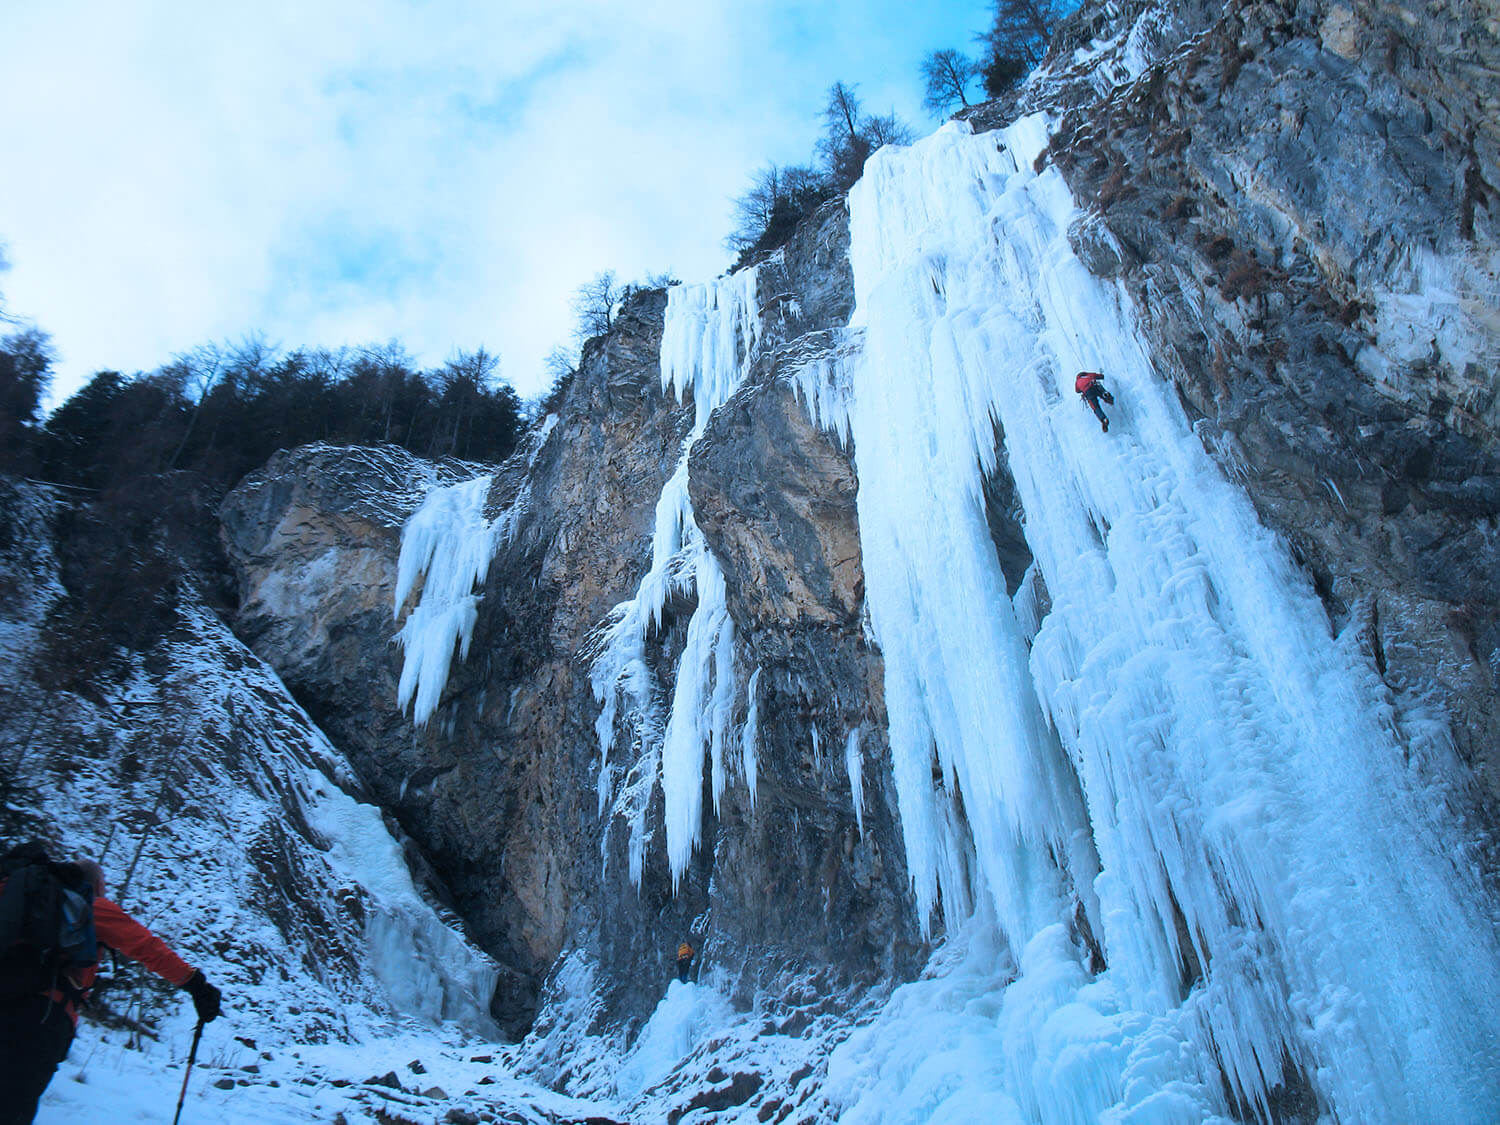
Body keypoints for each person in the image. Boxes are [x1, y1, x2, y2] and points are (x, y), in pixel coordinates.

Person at [0, 845, 223, 1125]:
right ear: (94, 884)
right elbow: (145, 946)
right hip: (40, 1018)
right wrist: (196, 984)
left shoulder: (14, 896)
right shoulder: (88, 905)